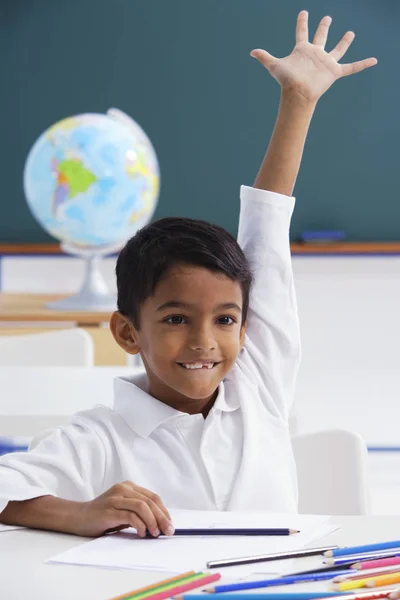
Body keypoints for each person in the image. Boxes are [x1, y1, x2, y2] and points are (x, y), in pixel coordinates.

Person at [0, 12, 376, 538]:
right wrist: (78, 512)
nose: (205, 341)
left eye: (225, 319)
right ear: (127, 332)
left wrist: (299, 102)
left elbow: (265, 234)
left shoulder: (258, 382)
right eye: (176, 317)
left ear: (246, 330)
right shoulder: (100, 436)